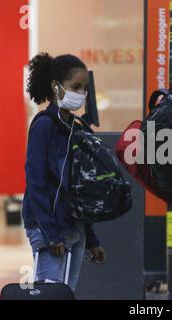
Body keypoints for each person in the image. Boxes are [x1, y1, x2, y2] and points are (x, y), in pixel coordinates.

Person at [23, 53, 105, 291]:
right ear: (56, 87)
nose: (81, 94)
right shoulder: (44, 126)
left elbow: (79, 190)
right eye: (75, 87)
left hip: (74, 224)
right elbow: (35, 182)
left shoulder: (76, 128)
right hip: (49, 224)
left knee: (66, 293)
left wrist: (91, 239)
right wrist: (50, 233)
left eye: (84, 88)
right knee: (50, 292)